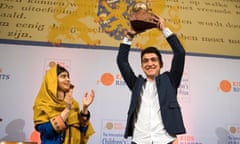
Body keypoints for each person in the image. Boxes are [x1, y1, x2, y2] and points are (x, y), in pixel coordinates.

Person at [117, 16, 186, 144]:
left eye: (153, 60)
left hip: (165, 140)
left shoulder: (170, 80)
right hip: (139, 140)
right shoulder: (136, 83)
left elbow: (180, 53)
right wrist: (129, 36)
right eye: (145, 61)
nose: (149, 63)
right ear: (142, 66)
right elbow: (122, 61)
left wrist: (164, 29)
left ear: (161, 64)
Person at [33, 64, 95, 144]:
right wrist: (67, 109)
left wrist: (85, 108)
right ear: (53, 80)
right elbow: (46, 132)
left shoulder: (74, 104)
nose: (68, 79)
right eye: (63, 76)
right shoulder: (42, 104)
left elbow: (82, 130)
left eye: (68, 76)